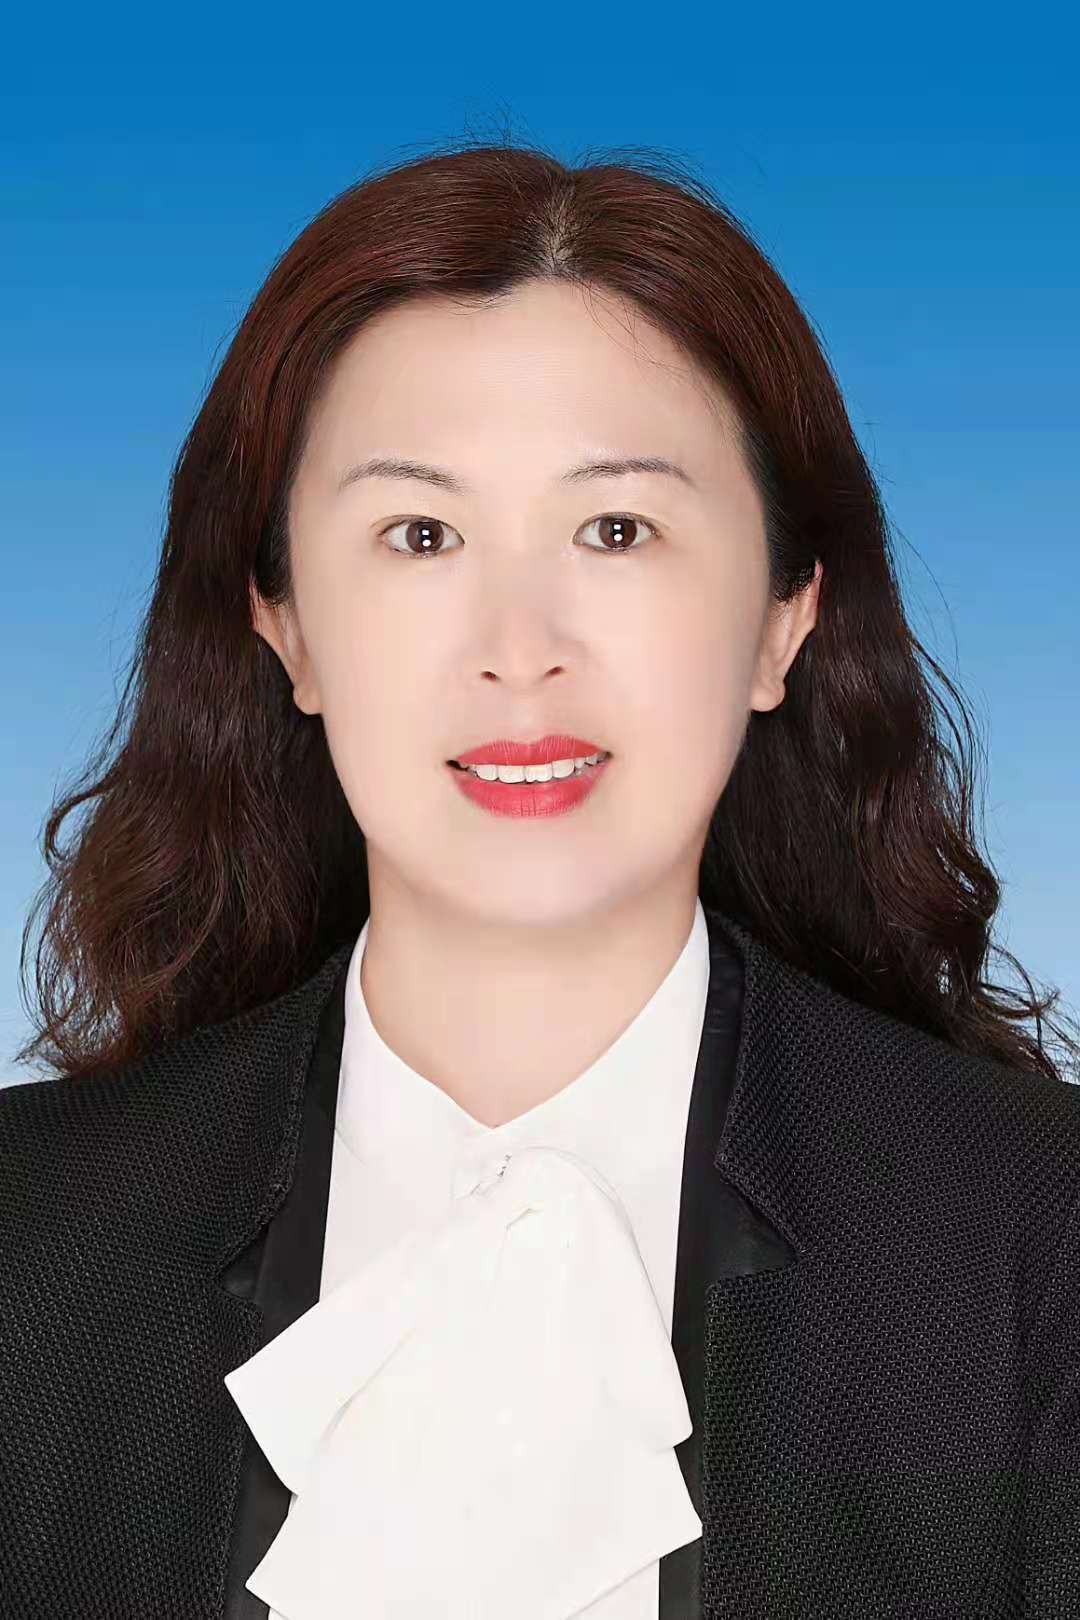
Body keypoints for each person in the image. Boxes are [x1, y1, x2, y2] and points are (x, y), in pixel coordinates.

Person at [2, 137, 1078, 1620]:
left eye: (615, 529)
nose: (520, 647)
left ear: (784, 619)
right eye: (421, 534)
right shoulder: (30, 1239)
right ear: (287, 626)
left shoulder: (1039, 1239)